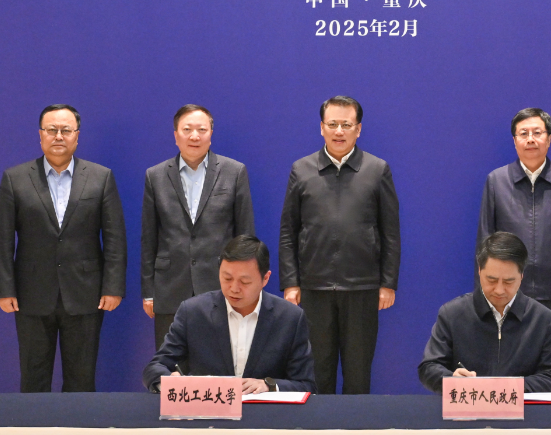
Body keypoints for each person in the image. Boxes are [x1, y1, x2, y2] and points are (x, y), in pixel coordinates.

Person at [0, 103, 126, 393]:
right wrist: (4, 289)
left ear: (77, 135)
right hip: (31, 294)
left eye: (66, 130)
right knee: (33, 379)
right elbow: (1, 240)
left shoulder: (101, 177)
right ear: (40, 135)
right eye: (52, 130)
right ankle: (33, 425)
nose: (59, 136)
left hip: (86, 294)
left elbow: (115, 239)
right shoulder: (15, 178)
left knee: (81, 380)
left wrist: (113, 287)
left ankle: (78, 425)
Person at [279, 95, 401, 394]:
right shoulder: (301, 169)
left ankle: (356, 425)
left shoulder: (377, 169)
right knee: (317, 372)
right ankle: (318, 425)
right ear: (321, 127)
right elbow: (288, 231)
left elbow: (390, 232)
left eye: (346, 125)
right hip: (314, 287)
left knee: (358, 373)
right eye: (332, 124)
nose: (339, 131)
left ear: (358, 129)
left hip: (362, 287)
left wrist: (388, 283)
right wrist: (291, 282)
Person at [478, 107, 551, 377]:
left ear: (548, 139)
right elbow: (485, 240)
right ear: (514, 140)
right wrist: (485, 289)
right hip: (507, 291)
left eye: (537, 133)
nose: (530, 139)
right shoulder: (496, 181)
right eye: (523, 133)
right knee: (509, 367)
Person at [141, 104, 255, 351]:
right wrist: (149, 292)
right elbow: (149, 239)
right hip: (169, 287)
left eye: (201, 130)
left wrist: (245, 287)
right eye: (187, 129)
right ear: (175, 135)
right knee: (172, 364)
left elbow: (245, 237)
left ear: (211, 133)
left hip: (221, 286)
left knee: (218, 362)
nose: (194, 136)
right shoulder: (155, 175)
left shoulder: (234, 172)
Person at [144, 235, 315, 394]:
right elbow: (155, 367)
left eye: (245, 282)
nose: (234, 288)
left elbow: (306, 384)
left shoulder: (290, 318)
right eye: (227, 278)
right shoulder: (193, 312)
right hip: (208, 412)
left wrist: (270, 386)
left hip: (265, 413)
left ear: (265, 279)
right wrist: (168, 382)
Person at [416, 232, 551, 393]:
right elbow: (429, 367)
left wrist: (503, 388)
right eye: (491, 280)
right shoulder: (452, 314)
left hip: (522, 408)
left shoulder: (542, 318)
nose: (499, 290)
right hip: (468, 406)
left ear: (522, 276)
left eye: (508, 281)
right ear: (480, 271)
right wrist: (452, 379)